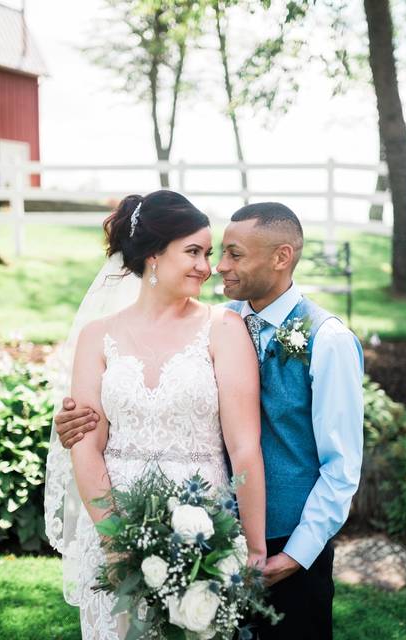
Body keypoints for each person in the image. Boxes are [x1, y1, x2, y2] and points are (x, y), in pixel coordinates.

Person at [54, 201, 365, 640]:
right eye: (202, 253)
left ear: (281, 257)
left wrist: (296, 553)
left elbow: (342, 464)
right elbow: (99, 427)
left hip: (285, 541)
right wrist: (74, 426)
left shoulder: (326, 339)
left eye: (231, 254)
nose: (215, 267)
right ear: (153, 256)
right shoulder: (231, 319)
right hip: (201, 526)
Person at [44, 190, 267, 639]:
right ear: (152, 255)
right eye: (193, 252)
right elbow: (86, 443)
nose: (207, 267)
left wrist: (254, 544)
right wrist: (115, 540)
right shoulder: (97, 336)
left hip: (203, 523)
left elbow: (244, 446)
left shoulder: (224, 329)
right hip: (114, 520)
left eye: (208, 253)